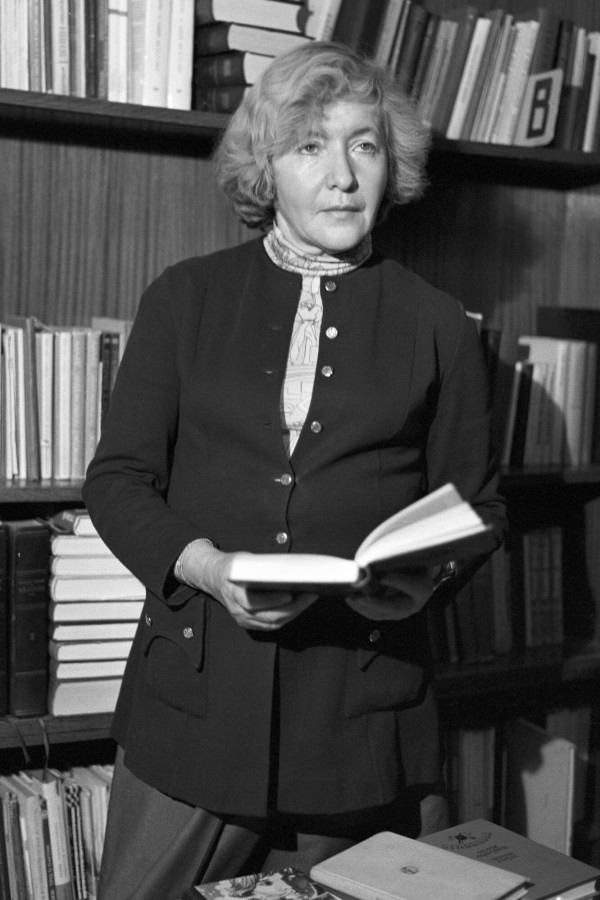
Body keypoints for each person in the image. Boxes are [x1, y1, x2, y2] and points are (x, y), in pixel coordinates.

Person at [82, 40, 507, 900]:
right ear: (266, 168)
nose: (342, 176)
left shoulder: (439, 324)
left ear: (392, 165)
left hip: (361, 718)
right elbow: (118, 480)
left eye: (364, 145)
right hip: (193, 706)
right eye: (311, 146)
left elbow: (479, 507)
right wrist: (209, 567)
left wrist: (418, 582)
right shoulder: (184, 297)